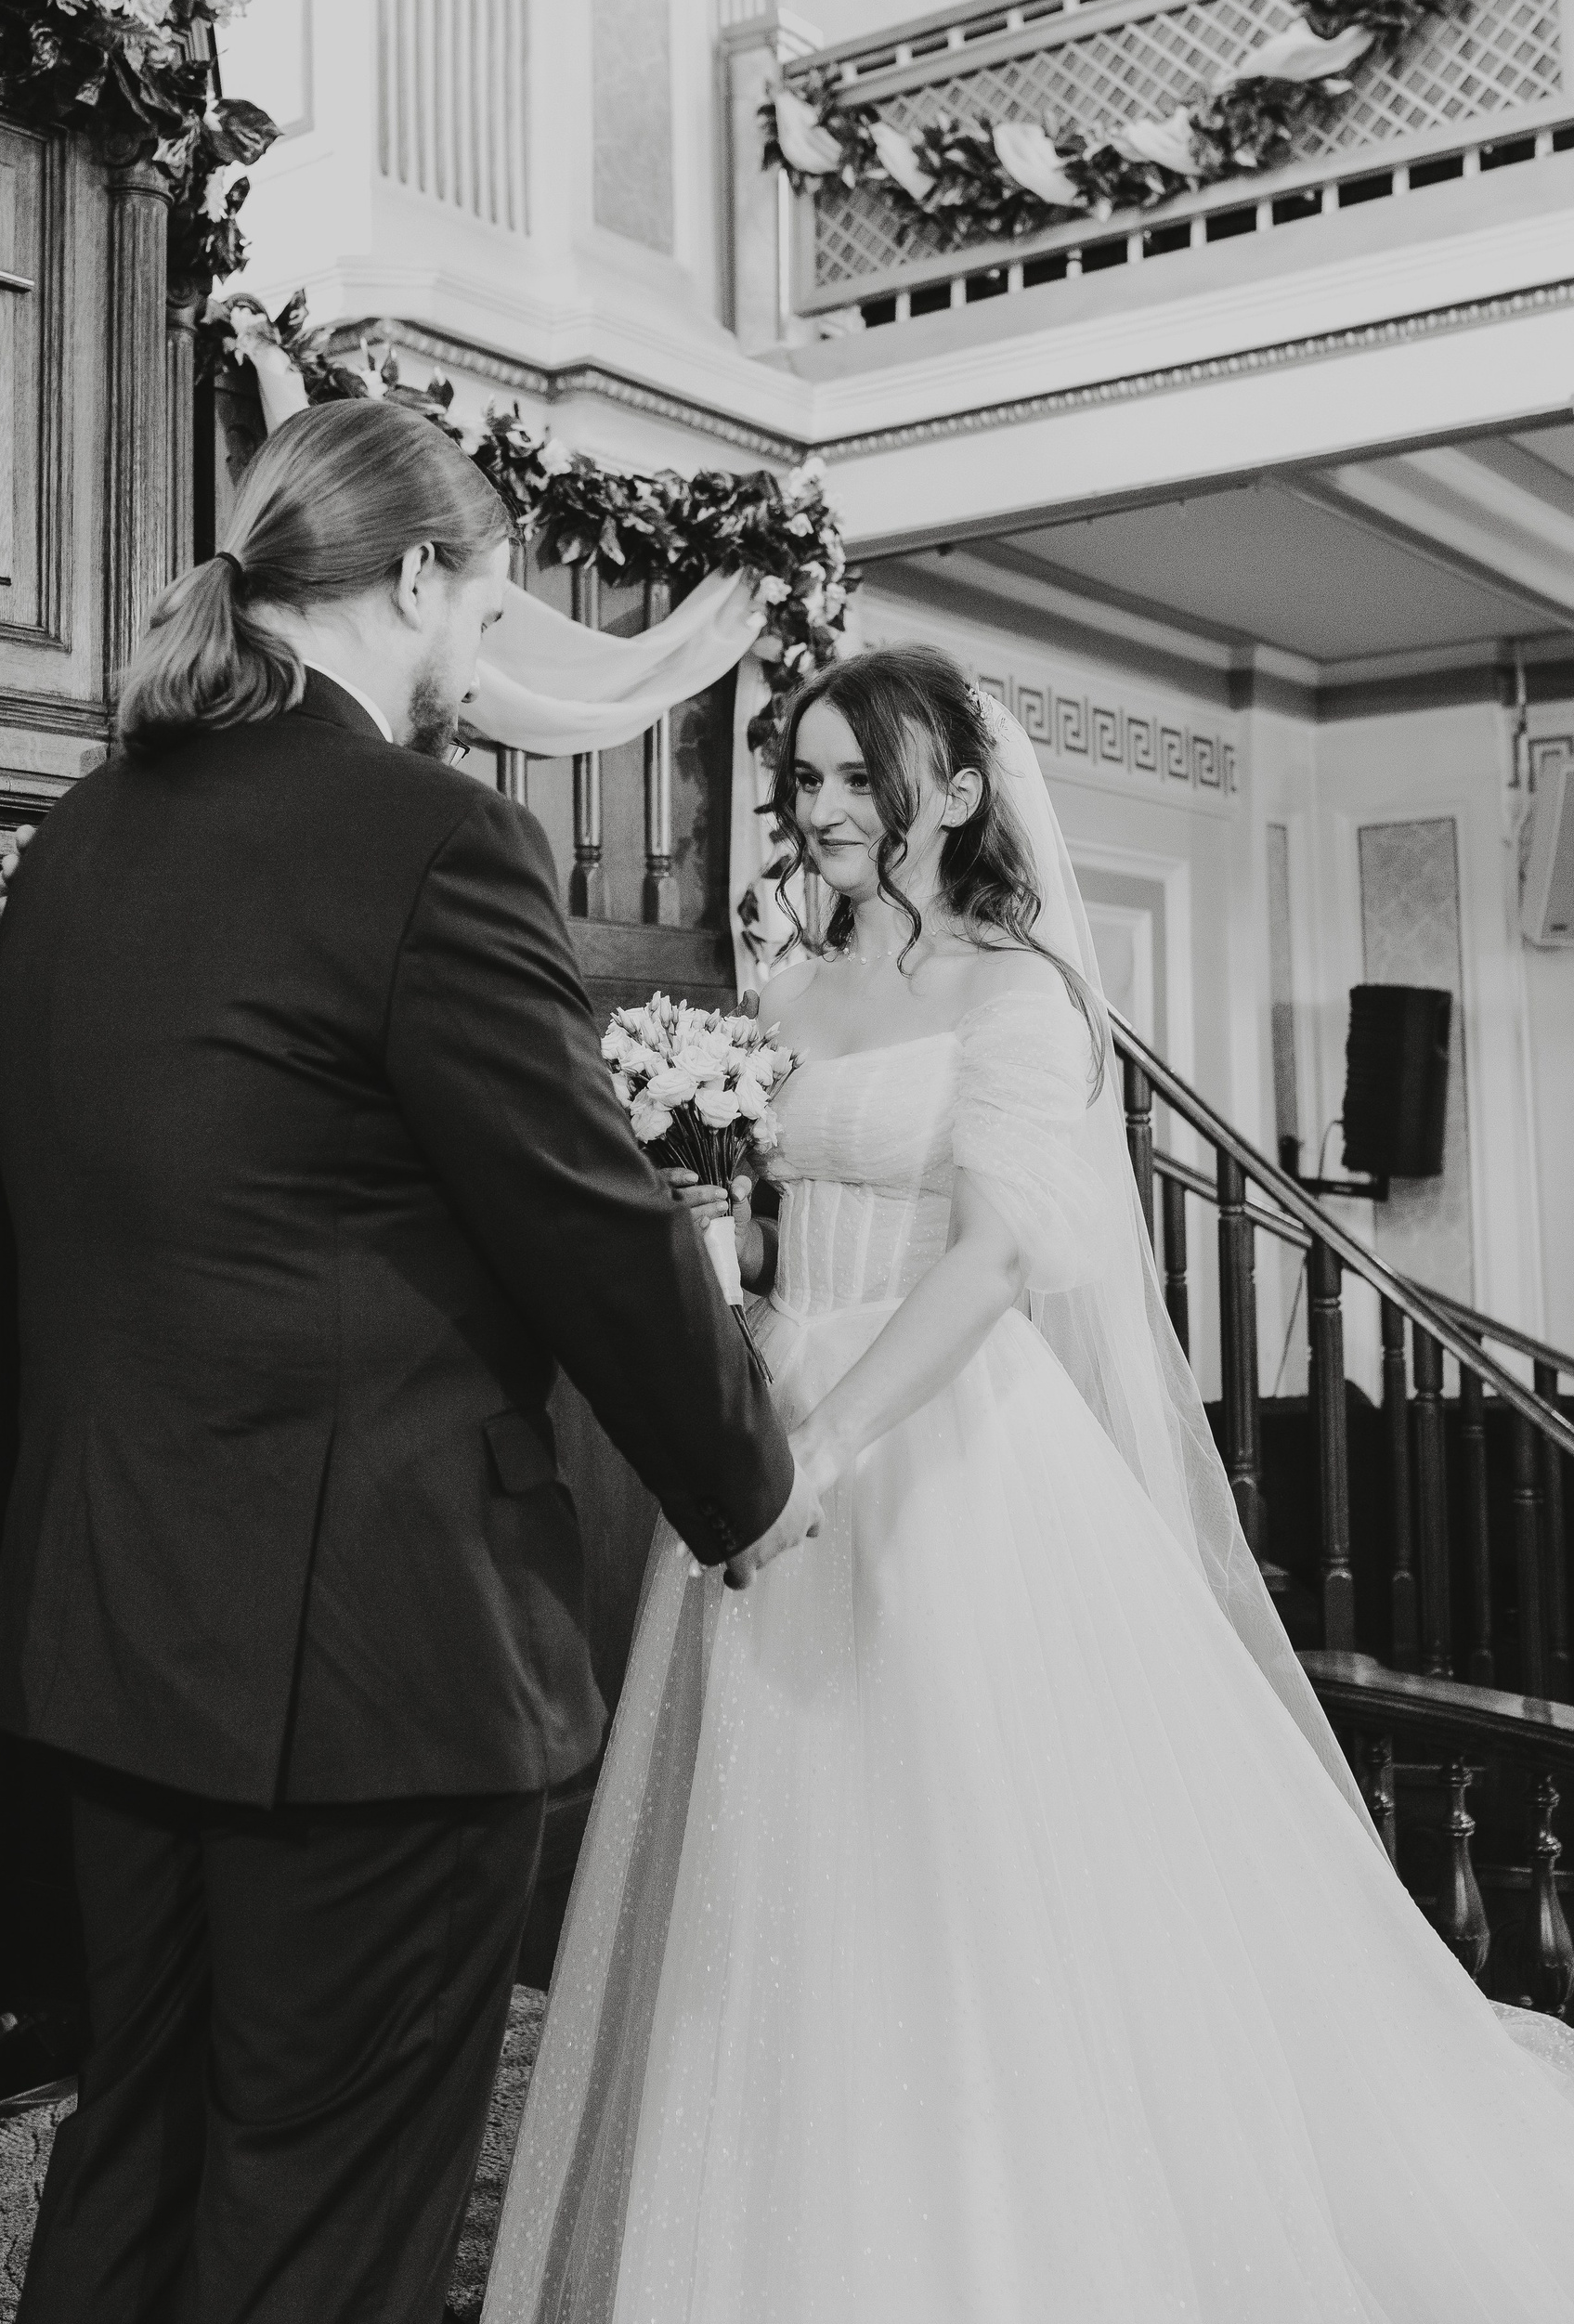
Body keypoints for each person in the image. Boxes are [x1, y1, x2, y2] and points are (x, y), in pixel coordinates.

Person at [486, 643, 1574, 2324]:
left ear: (954, 791)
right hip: (772, 1409)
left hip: (940, 1452)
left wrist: (827, 1444)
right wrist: (717, 1254)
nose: (823, 808)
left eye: (859, 777)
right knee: (778, 1858)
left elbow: (995, 1257)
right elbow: (770, 1232)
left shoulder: (1021, 996)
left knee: (962, 1859)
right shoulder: (789, 980)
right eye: (806, 778)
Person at [0, 401, 817, 2324]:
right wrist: (746, 1484)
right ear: (421, 576)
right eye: (490, 609)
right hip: (373, 1665)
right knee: (325, 2224)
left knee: (136, 2161)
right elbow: (588, 1216)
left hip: (113, 1632)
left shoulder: (82, 832)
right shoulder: (430, 836)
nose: (481, 660)